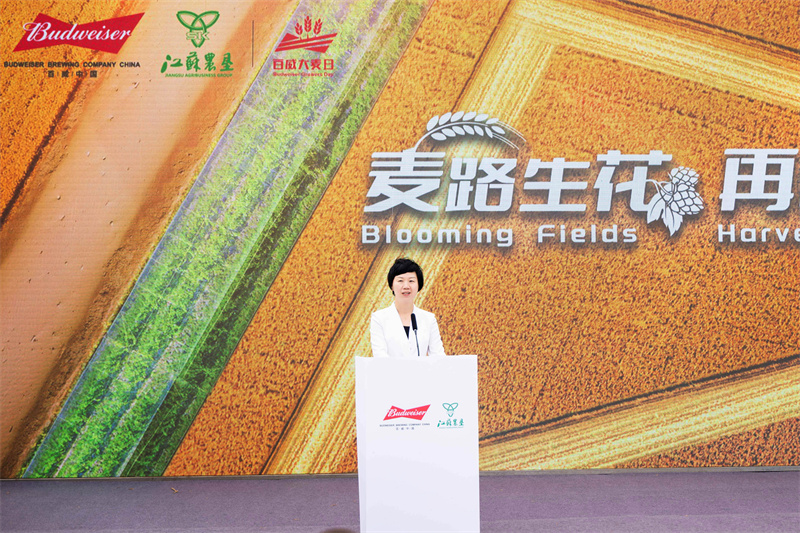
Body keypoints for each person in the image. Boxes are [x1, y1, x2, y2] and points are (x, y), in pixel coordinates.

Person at [370, 258, 446, 358]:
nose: (406, 286)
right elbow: (380, 356)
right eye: (400, 281)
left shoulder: (429, 319)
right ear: (392, 285)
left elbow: (438, 356)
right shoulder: (379, 318)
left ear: (418, 285)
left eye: (411, 281)